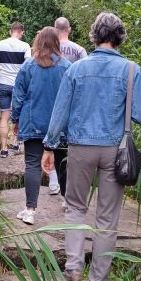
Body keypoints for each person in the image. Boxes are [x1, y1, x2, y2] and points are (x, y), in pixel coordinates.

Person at [41, 12, 141, 281]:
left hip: (80, 148)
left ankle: (73, 271)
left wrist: (49, 147)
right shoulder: (131, 70)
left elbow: (60, 111)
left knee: (76, 208)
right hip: (116, 150)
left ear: (94, 35)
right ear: (120, 36)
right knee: (107, 219)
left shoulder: (77, 69)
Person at [10, 27, 71, 225]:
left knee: (32, 165)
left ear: (38, 42)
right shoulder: (67, 67)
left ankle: (30, 210)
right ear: (56, 43)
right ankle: (68, 204)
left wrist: (15, 120)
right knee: (63, 164)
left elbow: (18, 96)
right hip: (60, 126)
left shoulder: (28, 66)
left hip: (33, 122)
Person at [47, 17, 88, 198]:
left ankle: (53, 181)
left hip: (52, 101)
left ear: (55, 29)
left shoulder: (49, 50)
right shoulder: (79, 50)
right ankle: (68, 188)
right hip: (74, 105)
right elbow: (87, 75)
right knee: (69, 146)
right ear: (69, 29)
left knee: (52, 141)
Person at [0, 22, 31, 158]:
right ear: (21, 32)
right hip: (19, 86)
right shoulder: (25, 46)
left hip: (3, 84)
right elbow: (28, 66)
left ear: (10, 31)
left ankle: (4, 149)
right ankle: (16, 143)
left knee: (4, 117)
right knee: (17, 116)